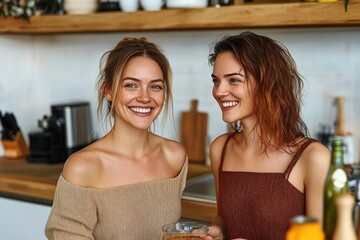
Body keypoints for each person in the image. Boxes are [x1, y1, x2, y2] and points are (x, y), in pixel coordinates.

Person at [45, 37, 187, 240]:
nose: (145, 97)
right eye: (131, 85)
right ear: (108, 91)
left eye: (155, 86)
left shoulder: (174, 157)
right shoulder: (83, 167)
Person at [204, 32, 330, 240]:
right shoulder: (220, 149)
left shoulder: (312, 156)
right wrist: (218, 231)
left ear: (267, 84)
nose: (219, 91)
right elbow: (224, 218)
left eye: (234, 80)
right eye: (216, 81)